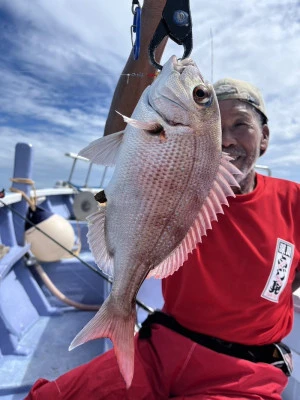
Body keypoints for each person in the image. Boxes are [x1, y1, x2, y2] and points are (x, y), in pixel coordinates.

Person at [25, 1, 300, 399]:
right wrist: (154, 19)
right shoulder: (188, 180)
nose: (226, 139)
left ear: (266, 137)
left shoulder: (294, 202)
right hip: (159, 348)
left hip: (244, 372)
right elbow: (121, 132)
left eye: (240, 124)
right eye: (217, 125)